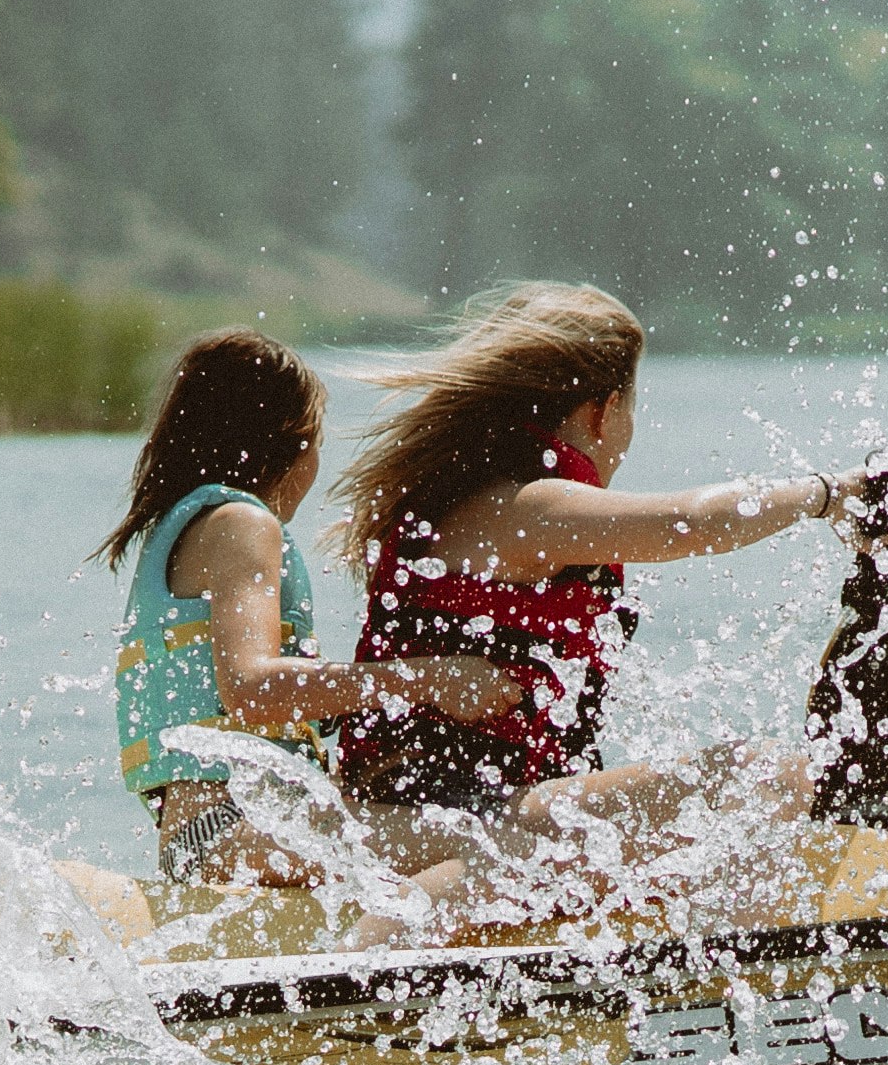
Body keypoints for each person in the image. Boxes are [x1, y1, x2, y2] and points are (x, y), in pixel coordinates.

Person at [323, 283, 853, 863]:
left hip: (460, 798)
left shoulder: (474, 500)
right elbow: (694, 524)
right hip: (444, 810)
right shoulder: (530, 509)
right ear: (601, 412)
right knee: (759, 775)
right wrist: (826, 495)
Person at [102, 330, 529, 884]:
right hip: (234, 827)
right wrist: (430, 679)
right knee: (497, 846)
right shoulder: (241, 524)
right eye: (318, 440)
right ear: (292, 442)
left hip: (197, 836)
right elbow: (252, 688)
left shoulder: (183, 528)